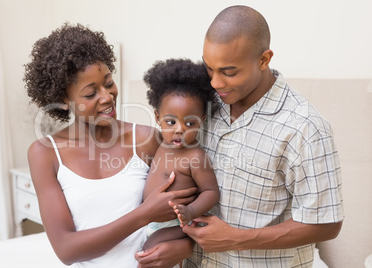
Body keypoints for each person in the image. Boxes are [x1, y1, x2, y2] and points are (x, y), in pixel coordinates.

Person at [138, 5, 344, 268]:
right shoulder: (203, 104)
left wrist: (238, 239)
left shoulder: (304, 127)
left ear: (264, 59)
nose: (215, 82)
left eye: (229, 72)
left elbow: (327, 224)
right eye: (209, 68)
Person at [24, 23, 197, 267]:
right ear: (63, 100)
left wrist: (185, 246)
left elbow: (187, 211)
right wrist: (144, 214)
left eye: (108, 82)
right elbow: (66, 249)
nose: (107, 97)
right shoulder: (45, 154)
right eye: (90, 93)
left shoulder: (148, 139)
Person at [140, 59, 220, 251]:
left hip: (176, 224)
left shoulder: (195, 156)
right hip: (149, 220)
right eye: (171, 122)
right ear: (158, 117)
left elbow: (211, 192)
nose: (179, 130)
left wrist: (190, 211)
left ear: (201, 121)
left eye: (190, 124)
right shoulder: (160, 144)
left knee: (149, 250)